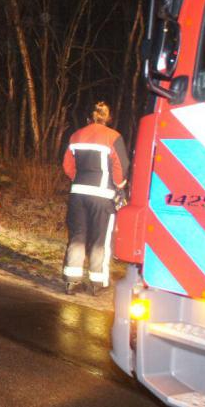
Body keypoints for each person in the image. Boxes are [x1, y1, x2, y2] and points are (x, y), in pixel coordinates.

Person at [62, 101, 129, 296]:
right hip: (102, 196)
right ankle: (97, 282)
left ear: (89, 117)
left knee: (77, 237)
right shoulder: (113, 137)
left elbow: (67, 165)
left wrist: (79, 179)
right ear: (108, 118)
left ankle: (71, 281)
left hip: (78, 194)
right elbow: (120, 167)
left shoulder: (76, 136)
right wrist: (120, 185)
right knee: (101, 239)